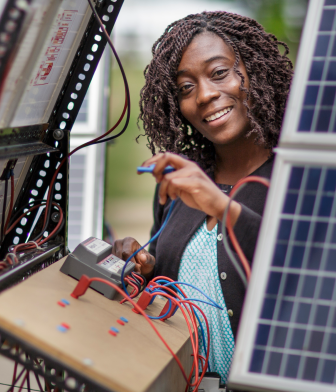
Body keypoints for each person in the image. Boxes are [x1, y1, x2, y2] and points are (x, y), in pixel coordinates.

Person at [112, 11, 293, 383]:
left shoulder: (301, 178)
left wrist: (221, 207)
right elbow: (171, 292)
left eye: (219, 73)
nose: (206, 95)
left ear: (254, 72)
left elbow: (306, 273)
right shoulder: (181, 184)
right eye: (186, 88)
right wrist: (146, 269)